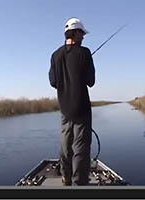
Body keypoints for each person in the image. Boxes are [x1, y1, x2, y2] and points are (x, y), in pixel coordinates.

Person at [48, 17, 95, 186]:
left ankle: (65, 177)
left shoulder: (55, 55)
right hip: (81, 107)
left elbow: (53, 82)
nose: (83, 37)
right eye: (81, 33)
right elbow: (91, 81)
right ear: (75, 33)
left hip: (64, 108)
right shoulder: (85, 53)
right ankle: (79, 184)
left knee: (66, 142)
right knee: (80, 146)